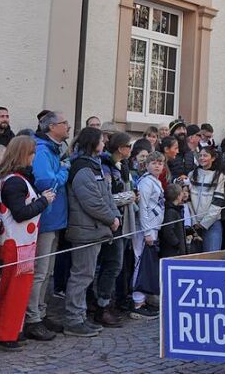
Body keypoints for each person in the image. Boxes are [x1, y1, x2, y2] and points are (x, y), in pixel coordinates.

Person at [0, 137, 53, 351]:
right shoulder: (15, 181)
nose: (34, 157)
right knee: (11, 292)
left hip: (23, 244)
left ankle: (13, 329)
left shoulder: (17, 179)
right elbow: (20, 213)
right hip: (14, 245)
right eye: (32, 153)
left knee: (19, 291)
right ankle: (4, 334)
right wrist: (44, 201)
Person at [63, 127, 120, 338]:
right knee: (81, 276)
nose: (104, 143)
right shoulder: (83, 168)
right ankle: (73, 320)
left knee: (86, 275)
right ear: (92, 143)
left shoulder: (94, 166)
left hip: (94, 229)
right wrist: (111, 219)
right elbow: (93, 202)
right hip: (85, 230)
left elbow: (105, 195)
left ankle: (80, 316)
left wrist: (115, 216)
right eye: (101, 140)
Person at [25, 111, 70, 341]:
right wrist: (64, 170)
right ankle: (32, 317)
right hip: (46, 217)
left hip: (55, 218)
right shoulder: (43, 150)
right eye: (65, 123)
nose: (69, 126)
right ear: (52, 127)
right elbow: (46, 182)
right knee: (40, 272)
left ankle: (41, 312)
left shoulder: (54, 149)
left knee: (48, 271)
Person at [94, 132, 133, 328]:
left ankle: (107, 303)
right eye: (129, 146)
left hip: (122, 221)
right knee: (111, 264)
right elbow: (106, 197)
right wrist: (130, 196)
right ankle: (101, 305)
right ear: (120, 148)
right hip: (110, 222)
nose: (130, 150)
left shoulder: (122, 166)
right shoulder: (106, 167)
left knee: (116, 264)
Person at [131, 152, 165, 317]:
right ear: (147, 164)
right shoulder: (146, 182)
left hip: (154, 227)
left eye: (160, 163)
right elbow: (143, 208)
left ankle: (143, 298)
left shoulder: (156, 181)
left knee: (146, 262)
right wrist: (146, 232)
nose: (157, 166)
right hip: (146, 229)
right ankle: (137, 301)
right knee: (140, 263)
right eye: (154, 163)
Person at [187, 146, 225, 252]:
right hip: (194, 224)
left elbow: (218, 202)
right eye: (200, 155)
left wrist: (204, 223)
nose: (202, 158)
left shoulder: (219, 176)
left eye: (205, 155)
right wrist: (194, 220)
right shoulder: (191, 175)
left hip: (212, 224)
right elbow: (188, 200)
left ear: (213, 158)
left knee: (211, 259)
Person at [159, 183, 188, 259]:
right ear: (178, 196)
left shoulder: (176, 210)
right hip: (172, 252)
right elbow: (168, 231)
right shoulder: (171, 212)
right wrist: (177, 244)